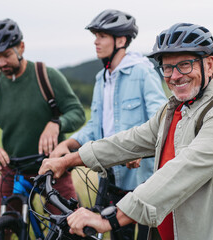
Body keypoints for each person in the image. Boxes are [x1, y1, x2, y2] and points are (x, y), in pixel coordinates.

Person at [39, 23, 213, 240]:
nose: (174, 76)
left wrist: (110, 219)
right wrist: (69, 161)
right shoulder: (174, 108)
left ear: (209, 64)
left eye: (184, 64)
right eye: (167, 67)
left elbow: (183, 171)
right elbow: (130, 141)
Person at [49, 9, 167, 240]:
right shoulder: (101, 78)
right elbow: (95, 125)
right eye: (96, 36)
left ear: (121, 40)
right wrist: (68, 144)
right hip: (111, 178)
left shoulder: (143, 71)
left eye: (102, 36)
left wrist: (141, 151)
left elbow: (160, 117)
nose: (96, 42)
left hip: (143, 181)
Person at [0, 18, 85, 219]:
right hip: (13, 170)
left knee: (69, 226)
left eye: (6, 55)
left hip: (54, 167)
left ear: (21, 47)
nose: (1, 62)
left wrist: (57, 124)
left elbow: (77, 112)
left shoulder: (47, 76)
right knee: (0, 230)